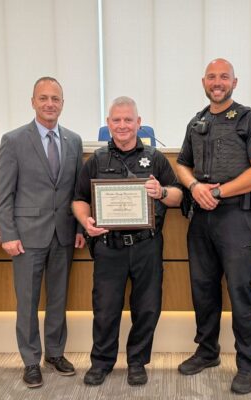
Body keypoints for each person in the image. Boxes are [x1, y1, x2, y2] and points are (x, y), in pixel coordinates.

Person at [175, 58, 251, 395]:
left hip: (236, 217)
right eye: (212, 77)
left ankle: (248, 364)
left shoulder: (250, 119)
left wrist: (217, 191)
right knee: (203, 289)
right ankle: (207, 351)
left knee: (240, 291)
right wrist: (194, 188)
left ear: (235, 81)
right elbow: (182, 165)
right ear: (204, 81)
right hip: (201, 218)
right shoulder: (197, 121)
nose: (218, 82)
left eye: (224, 77)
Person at [72, 96, 182, 387]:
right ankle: (102, 362)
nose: (122, 125)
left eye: (128, 120)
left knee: (147, 308)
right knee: (105, 309)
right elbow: (79, 199)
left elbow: (179, 196)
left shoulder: (156, 158)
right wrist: (86, 222)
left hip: (147, 245)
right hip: (109, 247)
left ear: (138, 123)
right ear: (108, 124)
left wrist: (161, 192)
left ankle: (137, 362)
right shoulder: (95, 161)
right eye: (116, 120)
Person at [0, 77, 85, 388]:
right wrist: (7, 232)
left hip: (63, 234)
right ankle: (31, 360)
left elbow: (76, 191)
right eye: (43, 98)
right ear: (32, 101)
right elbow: (3, 193)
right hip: (26, 235)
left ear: (63, 103)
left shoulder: (74, 141)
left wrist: (77, 228)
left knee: (58, 298)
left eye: (55, 99)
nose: (50, 104)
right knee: (28, 300)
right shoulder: (13, 140)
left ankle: (55, 353)